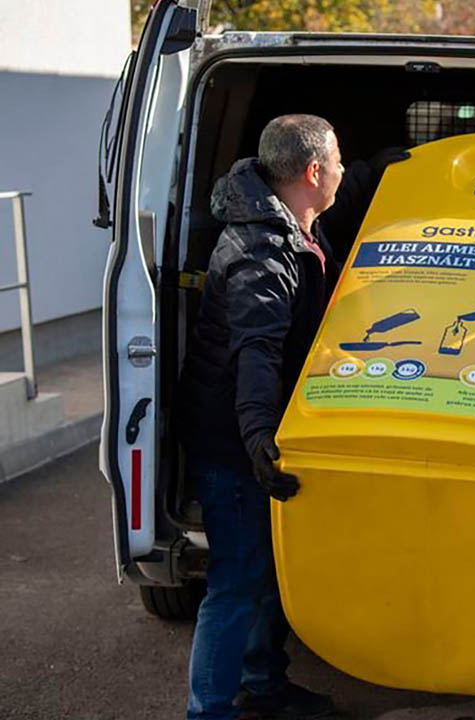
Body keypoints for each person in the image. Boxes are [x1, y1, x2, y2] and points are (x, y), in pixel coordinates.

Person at [176, 114, 406, 720]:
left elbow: (341, 188)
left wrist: (376, 168)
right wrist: (258, 441)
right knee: (234, 581)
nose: (339, 170)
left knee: (271, 571)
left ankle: (264, 682)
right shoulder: (261, 253)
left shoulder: (290, 218)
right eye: (336, 162)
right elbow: (257, 353)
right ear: (310, 171)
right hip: (233, 439)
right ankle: (211, 711)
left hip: (263, 428)